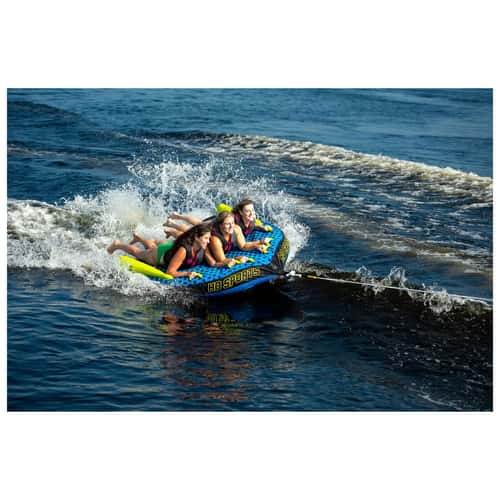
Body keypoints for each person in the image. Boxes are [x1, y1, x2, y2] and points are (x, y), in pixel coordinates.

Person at [107, 223, 230, 279]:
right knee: (139, 253)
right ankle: (117, 245)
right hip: (160, 255)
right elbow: (170, 272)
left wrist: (228, 262)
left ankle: (139, 238)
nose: (209, 241)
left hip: (171, 249)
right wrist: (186, 274)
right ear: (197, 238)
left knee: (152, 247)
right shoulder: (183, 251)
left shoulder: (203, 247)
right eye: (206, 238)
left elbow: (213, 263)